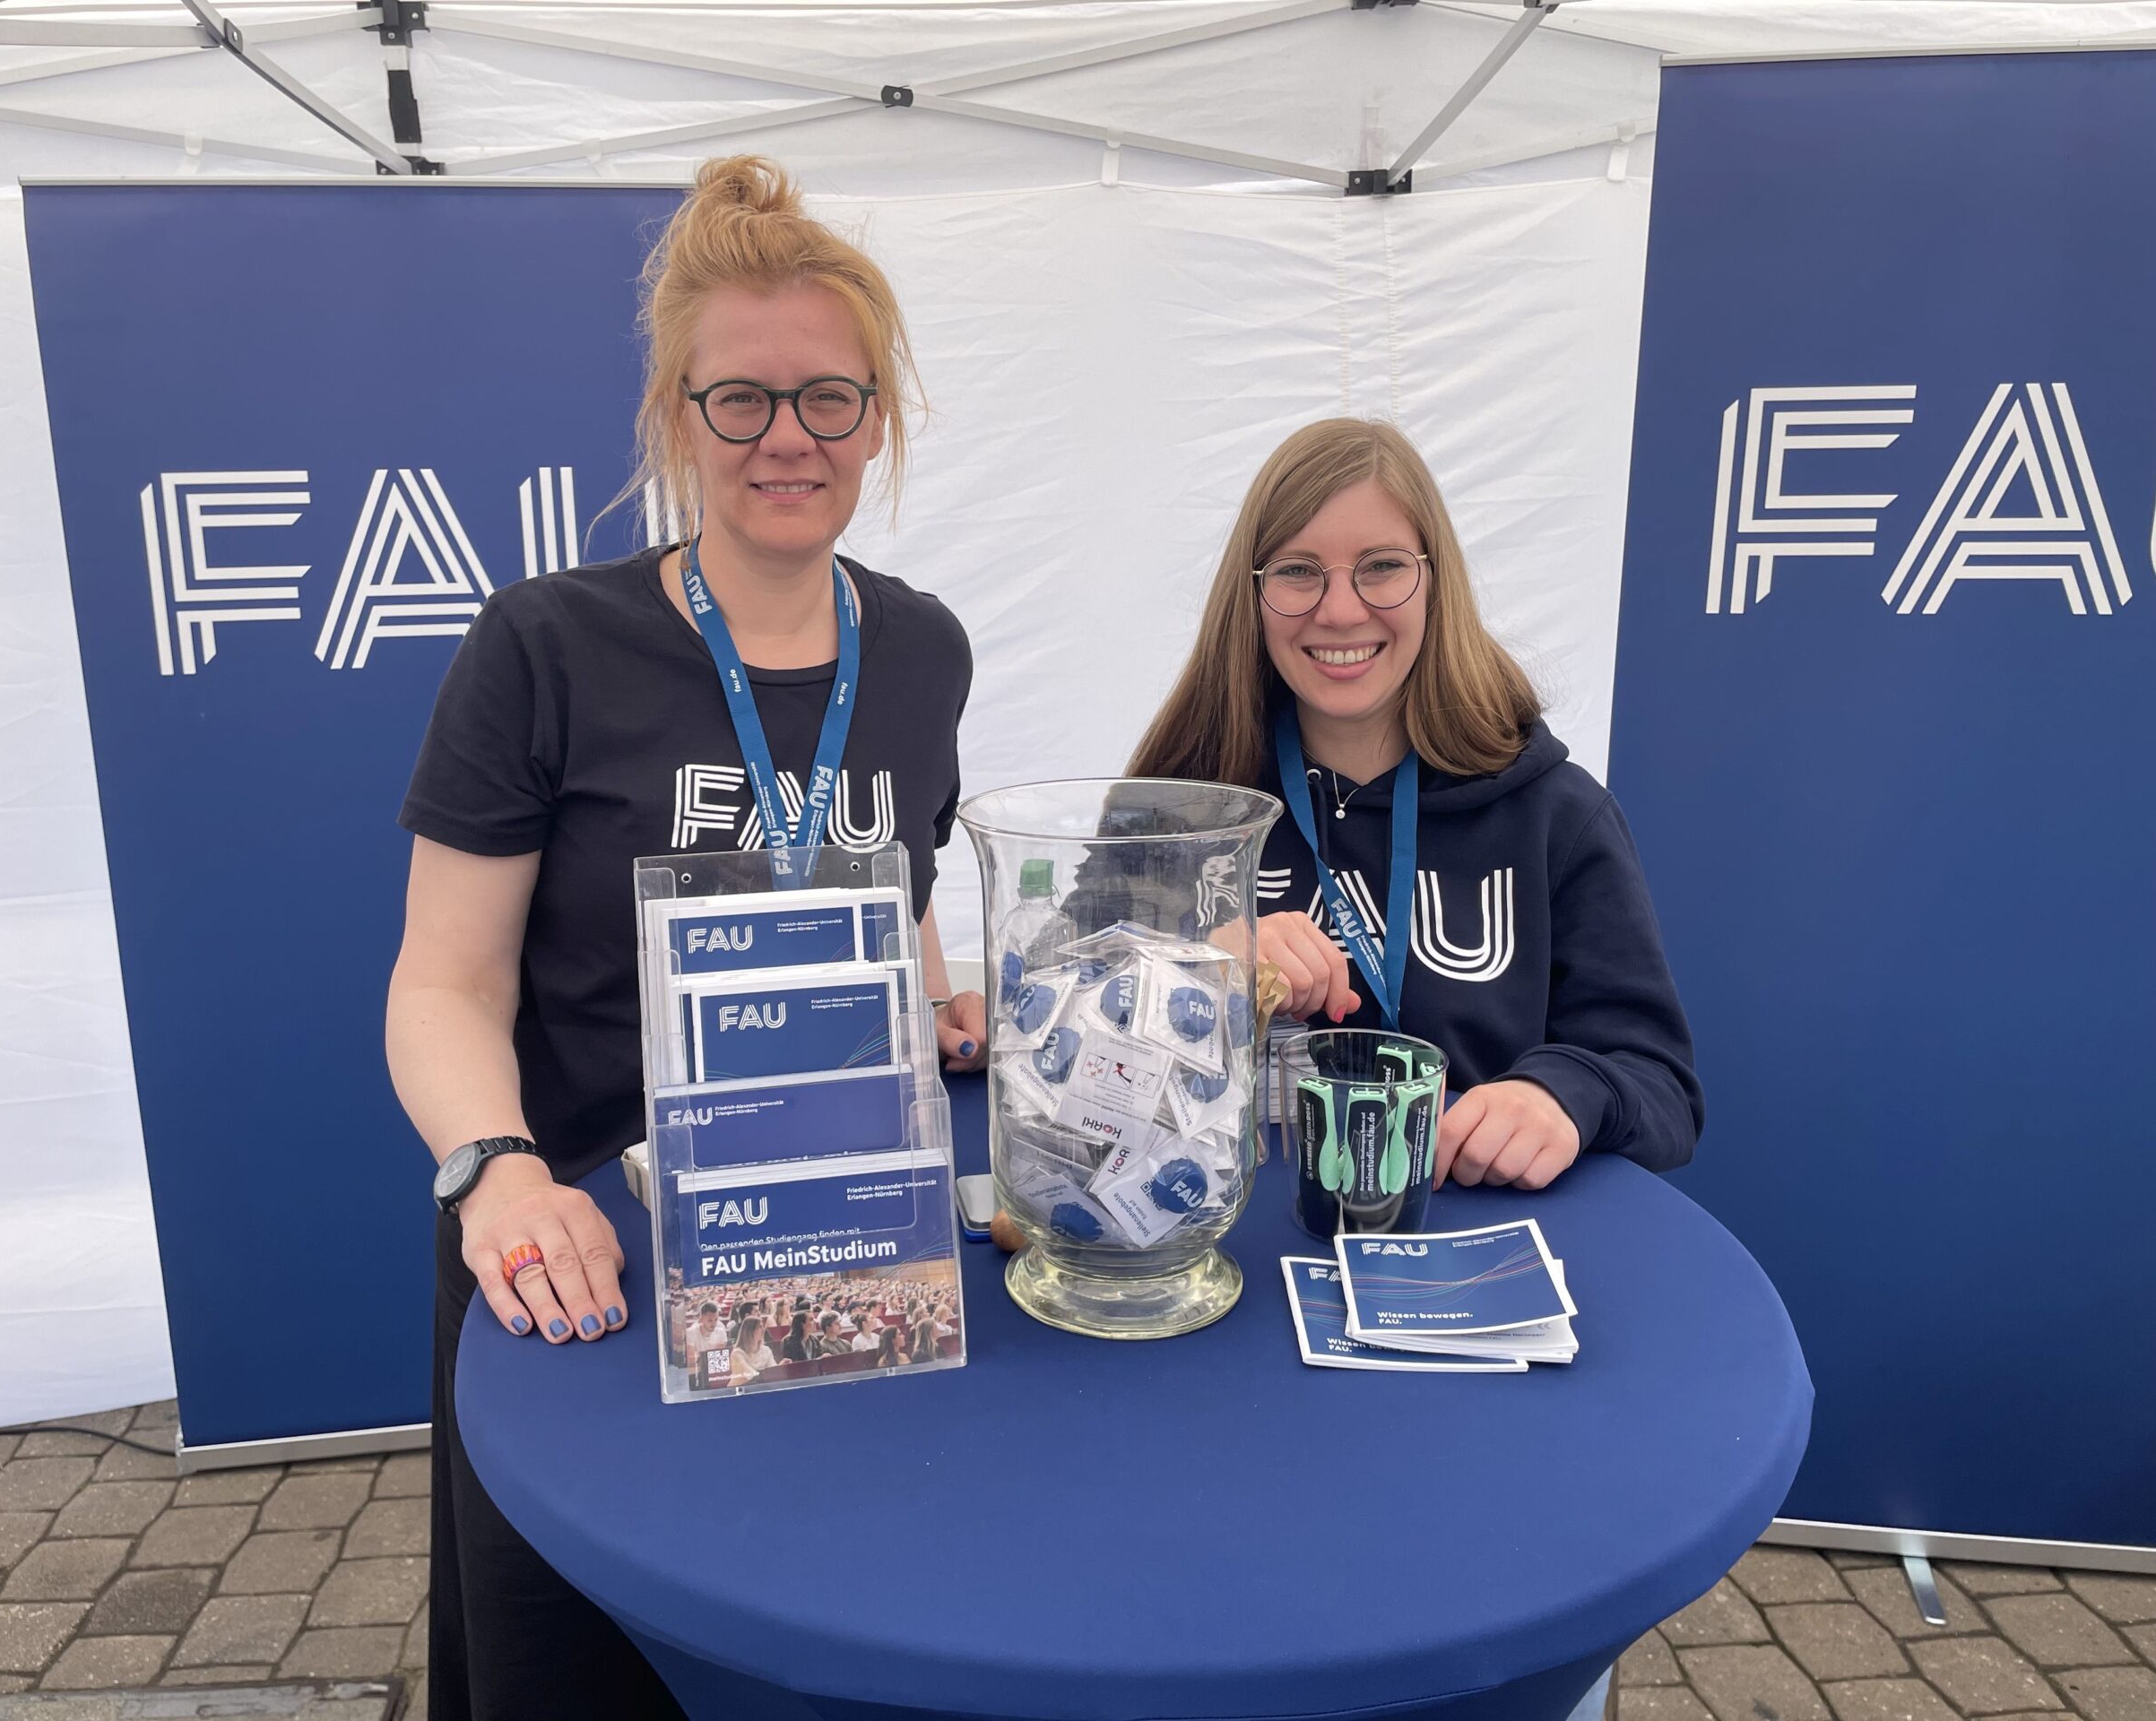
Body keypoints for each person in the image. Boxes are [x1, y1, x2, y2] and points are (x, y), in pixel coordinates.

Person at [385, 152, 988, 1721]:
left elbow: (895, 894)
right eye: (742, 400)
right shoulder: (545, 645)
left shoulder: (922, 649)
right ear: (678, 414)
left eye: (829, 399)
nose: (787, 437)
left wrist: (937, 1002)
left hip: (842, 1246)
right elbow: (442, 984)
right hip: (591, 1267)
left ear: (882, 414)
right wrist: (495, 1175)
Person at [1128, 417, 1701, 1188]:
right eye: (1299, 571)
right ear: (1253, 594)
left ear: (1435, 580)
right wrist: (1193, 969)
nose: (1339, 611)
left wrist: (1560, 1093)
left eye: (1382, 566)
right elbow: (1051, 1043)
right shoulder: (1173, 808)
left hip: (1459, 1249)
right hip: (1214, 1242)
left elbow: (1660, 1086)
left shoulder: (1556, 817)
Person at [728, 1313, 775, 1385]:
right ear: (750, 1331)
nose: (764, 1329)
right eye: (760, 1327)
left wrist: (780, 1367)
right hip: (739, 1390)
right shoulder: (737, 1353)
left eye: (763, 1326)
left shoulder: (766, 1350)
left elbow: (773, 1372)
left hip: (760, 1387)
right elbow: (751, 1375)